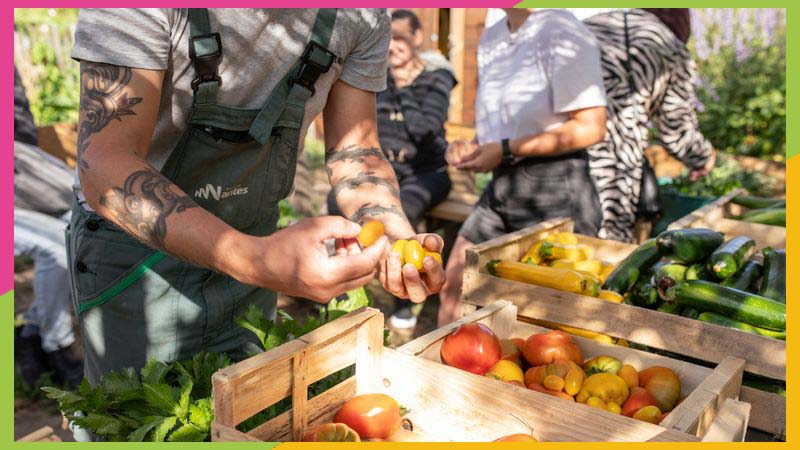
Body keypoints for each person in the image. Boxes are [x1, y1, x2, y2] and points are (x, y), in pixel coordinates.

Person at [68, 8, 445, 386]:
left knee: (249, 415)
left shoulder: (359, 16)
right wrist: (255, 258)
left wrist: (391, 230)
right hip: (136, 259)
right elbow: (104, 163)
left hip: (258, 249)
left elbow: (356, 148)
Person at [437, 8, 608, 326]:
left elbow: (591, 127)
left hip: (555, 186)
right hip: (504, 181)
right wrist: (472, 148)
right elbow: (502, 127)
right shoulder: (492, 36)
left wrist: (504, 149)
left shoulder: (562, 30)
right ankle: (434, 374)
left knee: (543, 318)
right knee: (456, 286)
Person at [327, 9, 455, 329]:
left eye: (400, 38)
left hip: (426, 173)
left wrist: (403, 85)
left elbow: (425, 128)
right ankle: (343, 293)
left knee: (404, 209)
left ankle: (404, 301)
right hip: (389, 173)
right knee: (336, 204)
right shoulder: (375, 76)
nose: (393, 46)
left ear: (417, 39)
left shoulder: (437, 76)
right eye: (389, 39)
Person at [583, 9, 715, 242]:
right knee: (605, 249)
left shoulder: (589, 26)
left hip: (557, 155)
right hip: (613, 162)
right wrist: (703, 156)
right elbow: (676, 130)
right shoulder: (670, 46)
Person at [14, 66, 83, 388]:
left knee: (82, 220)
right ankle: (58, 347)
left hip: (17, 162)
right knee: (56, 246)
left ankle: (31, 331)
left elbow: (16, 106)